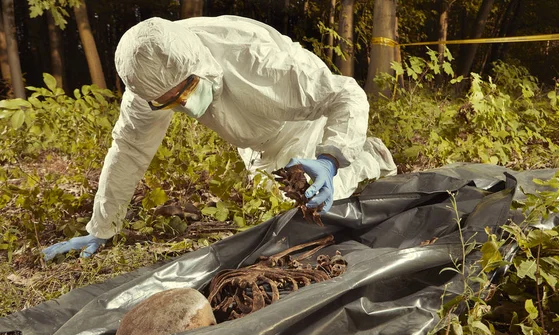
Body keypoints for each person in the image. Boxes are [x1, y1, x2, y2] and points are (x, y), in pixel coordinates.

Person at [42, 15, 397, 261]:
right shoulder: (148, 82)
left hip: (303, 122)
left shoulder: (258, 59)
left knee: (321, 204)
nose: (185, 105)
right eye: (171, 102)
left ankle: (367, 155)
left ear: (198, 64)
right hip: (256, 141)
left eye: (187, 90)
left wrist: (329, 159)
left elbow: (345, 95)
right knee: (274, 209)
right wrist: (102, 227)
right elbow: (129, 151)